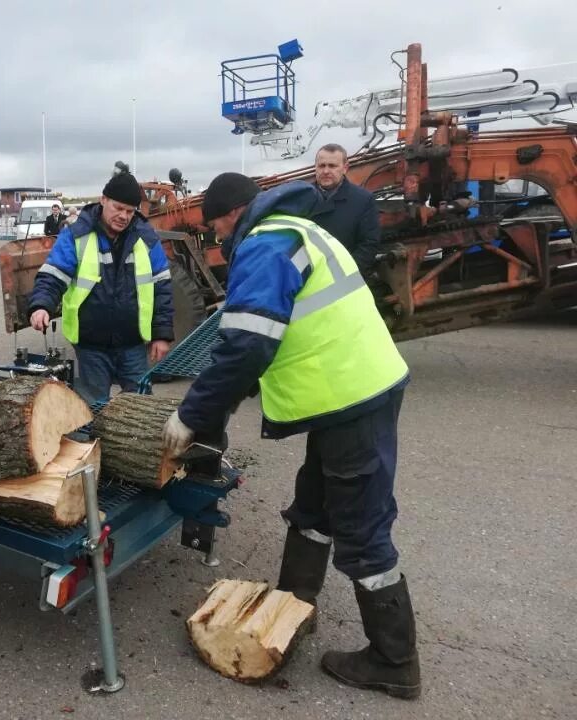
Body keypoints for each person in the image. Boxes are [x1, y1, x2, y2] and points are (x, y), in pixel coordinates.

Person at [163, 172, 420, 700]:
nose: (218, 239)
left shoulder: (265, 243)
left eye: (214, 229)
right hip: (343, 395)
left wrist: (192, 416)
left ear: (230, 214)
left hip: (352, 397)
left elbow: (247, 347)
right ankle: (294, 603)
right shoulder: (300, 229)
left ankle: (395, 662)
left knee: (363, 530)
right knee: (315, 504)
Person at [28, 170, 174, 404]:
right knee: (92, 409)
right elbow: (53, 275)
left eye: (129, 211)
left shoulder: (146, 239)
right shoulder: (76, 235)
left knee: (141, 409)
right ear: (103, 200)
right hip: (91, 346)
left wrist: (162, 335)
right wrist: (41, 305)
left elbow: (162, 290)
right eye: (118, 208)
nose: (124, 216)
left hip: (133, 344)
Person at [311, 143, 381, 273]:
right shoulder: (302, 198)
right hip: (307, 278)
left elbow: (369, 244)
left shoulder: (363, 200)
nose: (326, 171)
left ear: (345, 168)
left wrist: (346, 272)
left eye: (332, 166)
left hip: (344, 277)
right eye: (322, 166)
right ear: (315, 167)